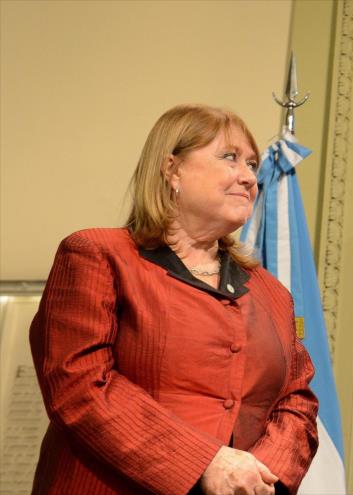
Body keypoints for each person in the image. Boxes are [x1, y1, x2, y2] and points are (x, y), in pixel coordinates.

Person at [29, 104, 318, 495]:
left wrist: (261, 474)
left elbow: (296, 399)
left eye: (252, 164)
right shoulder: (98, 254)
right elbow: (79, 385)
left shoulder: (272, 293)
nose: (249, 177)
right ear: (172, 170)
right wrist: (206, 461)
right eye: (230, 158)